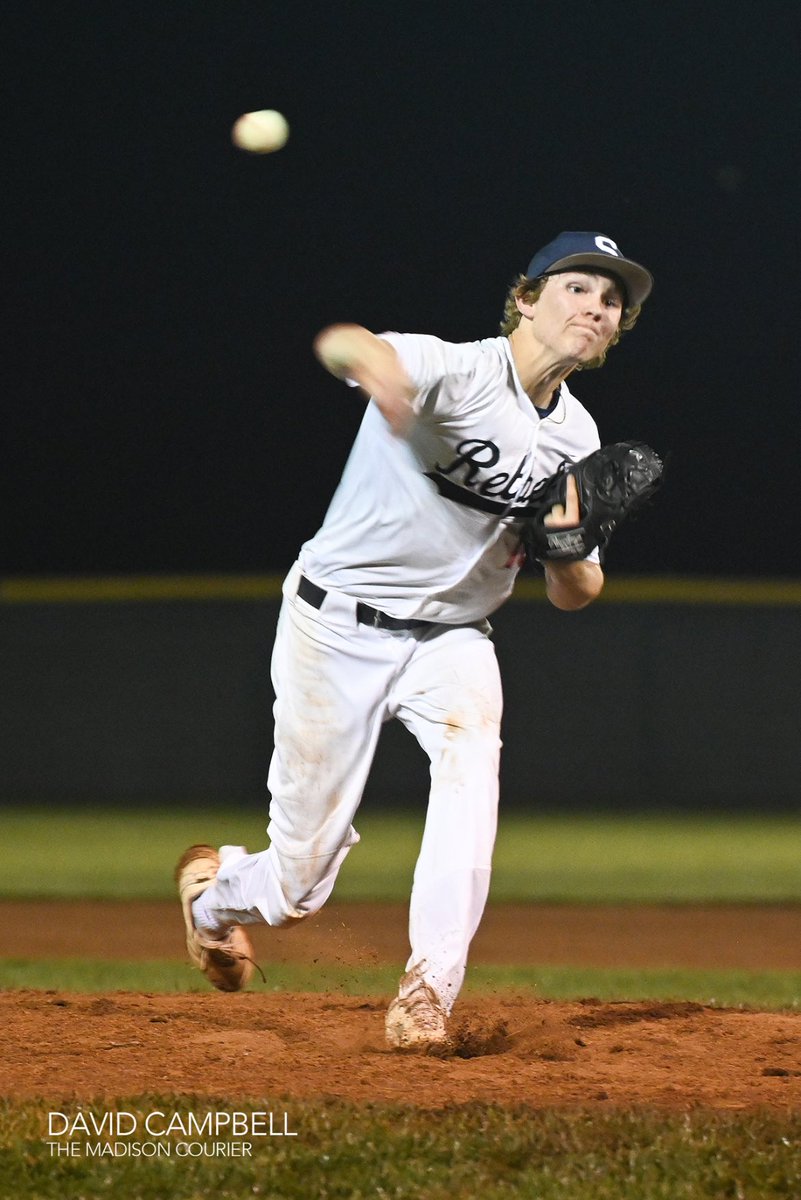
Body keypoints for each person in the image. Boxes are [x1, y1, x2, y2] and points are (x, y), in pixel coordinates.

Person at [176, 231, 654, 1048]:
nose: (595, 307)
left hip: (454, 640)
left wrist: (565, 549)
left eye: (611, 301)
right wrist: (383, 376)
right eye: (576, 287)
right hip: (336, 623)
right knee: (297, 887)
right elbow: (346, 343)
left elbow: (578, 593)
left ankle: (427, 992)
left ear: (615, 332)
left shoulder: (577, 440)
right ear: (527, 297)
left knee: (472, 772)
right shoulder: (454, 369)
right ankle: (212, 900)